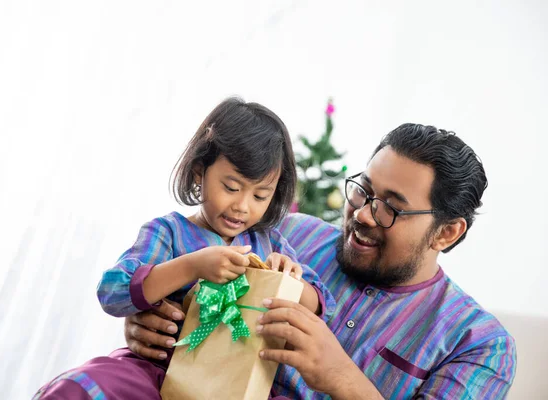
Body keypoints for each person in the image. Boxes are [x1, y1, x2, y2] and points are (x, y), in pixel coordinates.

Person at [124, 124, 517, 399]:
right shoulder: (289, 235)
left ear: (446, 233)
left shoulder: (479, 344)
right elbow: (182, 279)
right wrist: (155, 320)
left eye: (390, 209)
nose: (363, 213)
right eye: (363, 190)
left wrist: (343, 379)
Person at [33, 97, 335, 399]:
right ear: (198, 172)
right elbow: (113, 291)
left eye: (260, 196)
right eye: (231, 187)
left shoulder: (270, 243)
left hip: (237, 383)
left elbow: (324, 305)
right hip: (159, 372)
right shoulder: (168, 232)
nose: (242, 206)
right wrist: (191, 266)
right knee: (78, 387)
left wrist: (291, 280)